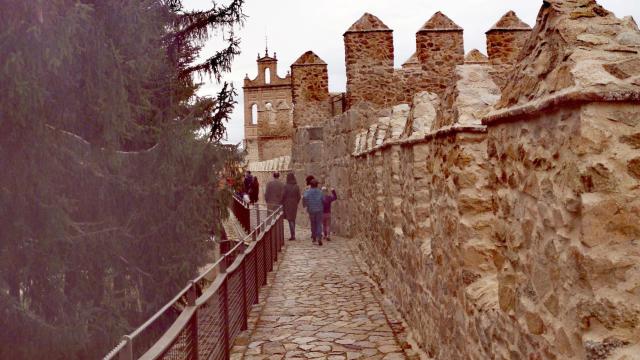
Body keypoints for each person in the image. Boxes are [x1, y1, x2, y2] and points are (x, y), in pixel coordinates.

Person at [303, 179, 324, 245]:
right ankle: (319, 237)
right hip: (319, 209)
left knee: (313, 224)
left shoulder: (308, 192)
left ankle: (314, 237)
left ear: (311, 185)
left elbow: (305, 198)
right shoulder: (320, 192)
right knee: (319, 223)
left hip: (311, 209)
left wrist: (305, 205)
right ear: (317, 185)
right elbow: (323, 199)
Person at [281, 173, 301, 240]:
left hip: (287, 204)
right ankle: (293, 234)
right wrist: (296, 202)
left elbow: (283, 195)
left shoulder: (286, 186)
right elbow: (299, 196)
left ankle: (293, 235)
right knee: (293, 219)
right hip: (294, 204)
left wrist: (283, 202)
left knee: (290, 220)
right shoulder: (296, 186)